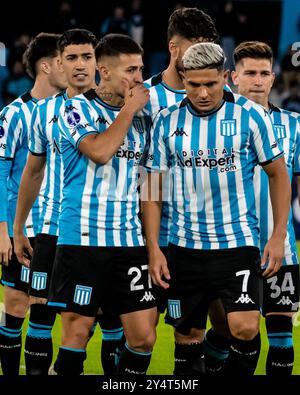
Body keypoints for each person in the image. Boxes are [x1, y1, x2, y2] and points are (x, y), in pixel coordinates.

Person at [142, 42, 291, 375]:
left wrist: (279, 234)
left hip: (237, 244)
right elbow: (151, 187)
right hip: (184, 248)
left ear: (225, 77)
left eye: (211, 83)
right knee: (188, 334)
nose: (204, 92)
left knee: (246, 327)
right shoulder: (166, 121)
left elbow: (278, 173)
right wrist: (154, 248)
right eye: (194, 84)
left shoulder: (250, 117)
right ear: (183, 78)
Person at [47, 33, 157, 376]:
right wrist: (128, 110)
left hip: (129, 242)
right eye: (129, 70)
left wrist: (153, 244)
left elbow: (152, 182)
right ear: (104, 72)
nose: (138, 78)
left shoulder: (145, 117)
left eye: (140, 69)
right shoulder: (75, 109)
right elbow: (100, 150)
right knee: (77, 333)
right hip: (82, 240)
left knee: (143, 337)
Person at [142, 7, 231, 375]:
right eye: (196, 48)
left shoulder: (225, 97)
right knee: (137, 332)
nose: (202, 58)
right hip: (147, 233)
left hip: (208, 239)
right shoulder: (143, 98)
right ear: (174, 48)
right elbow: (142, 171)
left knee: (229, 326)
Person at [231, 41, 300, 375]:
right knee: (230, 331)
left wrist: (284, 233)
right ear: (234, 77)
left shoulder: (293, 125)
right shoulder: (218, 121)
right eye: (249, 73)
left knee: (282, 336)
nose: (257, 80)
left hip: (280, 244)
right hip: (229, 243)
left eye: (263, 73)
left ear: (272, 79)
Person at [0, 32, 66, 375]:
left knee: (47, 311)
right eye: (62, 60)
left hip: (58, 228)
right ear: (45, 66)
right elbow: (0, 171)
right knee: (15, 304)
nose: (71, 67)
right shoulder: (14, 114)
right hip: (21, 228)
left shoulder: (73, 112)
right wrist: (3, 230)